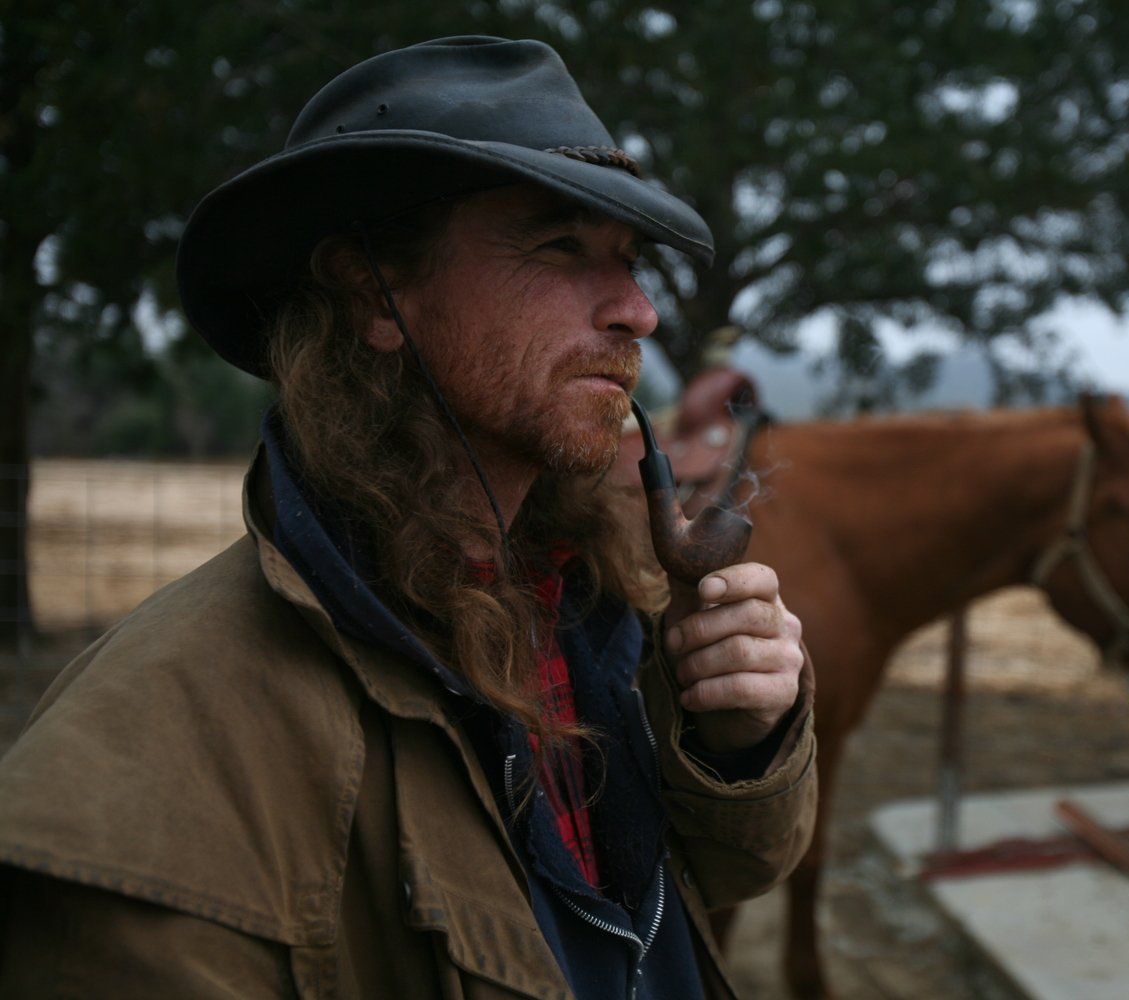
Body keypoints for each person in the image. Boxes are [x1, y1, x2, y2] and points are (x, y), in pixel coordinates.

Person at [0, 36, 815, 998]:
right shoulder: (152, 759)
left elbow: (695, 892)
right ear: (373, 293)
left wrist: (737, 739)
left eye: (629, 261)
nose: (638, 311)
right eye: (560, 246)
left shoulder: (588, 606)